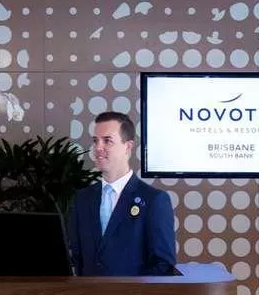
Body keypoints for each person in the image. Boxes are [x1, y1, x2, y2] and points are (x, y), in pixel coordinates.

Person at [66, 110, 177, 277]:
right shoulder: (82, 198)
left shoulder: (154, 200)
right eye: (95, 141)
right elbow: (77, 258)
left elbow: (163, 265)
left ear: (128, 147)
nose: (98, 148)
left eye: (107, 141)